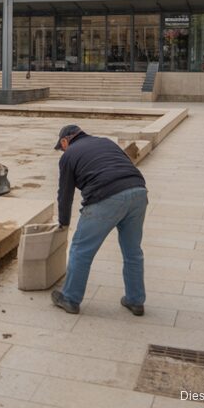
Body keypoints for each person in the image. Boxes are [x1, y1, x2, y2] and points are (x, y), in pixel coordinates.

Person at [49, 124, 148, 317]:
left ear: (65, 141)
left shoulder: (68, 155)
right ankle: (135, 300)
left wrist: (63, 222)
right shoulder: (105, 142)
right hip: (138, 192)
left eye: (62, 148)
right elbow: (123, 165)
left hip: (106, 196)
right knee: (133, 252)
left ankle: (70, 298)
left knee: (80, 250)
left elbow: (65, 194)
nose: (62, 151)